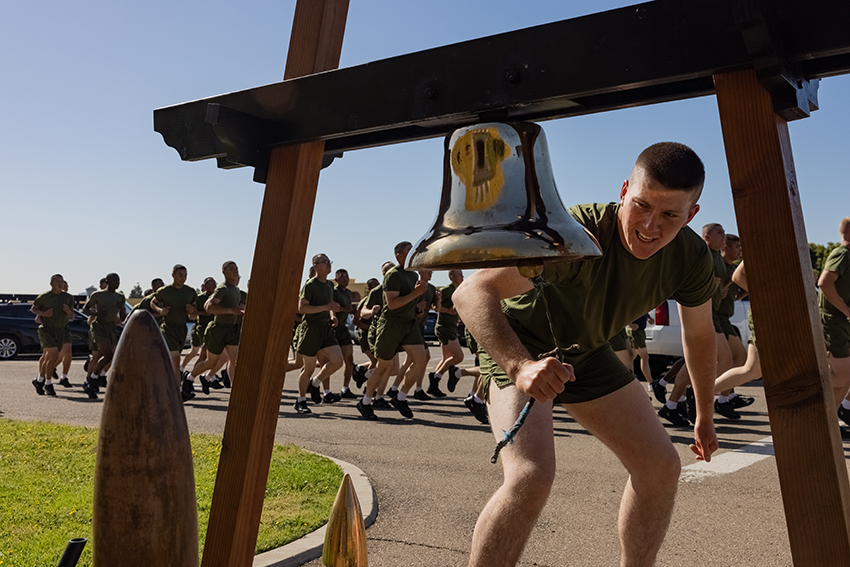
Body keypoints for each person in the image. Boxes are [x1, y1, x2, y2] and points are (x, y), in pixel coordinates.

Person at [453, 142, 718, 567]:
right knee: (530, 476)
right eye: (642, 205)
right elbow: (471, 292)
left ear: (691, 215)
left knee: (660, 468)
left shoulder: (691, 256)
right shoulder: (577, 233)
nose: (649, 226)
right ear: (624, 190)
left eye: (669, 215)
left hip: (587, 353)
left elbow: (701, 336)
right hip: (520, 341)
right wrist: (519, 366)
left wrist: (704, 413)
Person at [358, 242, 430, 420]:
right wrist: (415, 294)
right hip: (390, 324)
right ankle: (365, 401)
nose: (413, 253)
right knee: (384, 367)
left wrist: (417, 309)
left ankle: (400, 396)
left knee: (421, 360)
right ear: (398, 255)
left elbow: (408, 302)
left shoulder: (413, 275)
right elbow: (392, 304)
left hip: (408, 324)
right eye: (408, 251)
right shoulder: (393, 275)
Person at [292, 254, 343, 413]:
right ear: (315, 266)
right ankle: (300, 400)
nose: (329, 265)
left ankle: (315, 383)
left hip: (326, 329)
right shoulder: (310, 285)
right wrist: (325, 308)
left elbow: (330, 306)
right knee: (309, 367)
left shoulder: (329, 285)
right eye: (325, 262)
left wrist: (333, 316)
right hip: (311, 328)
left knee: (337, 361)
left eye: (329, 262)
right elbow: (302, 308)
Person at [187, 261, 244, 402]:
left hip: (232, 330)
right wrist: (231, 310)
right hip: (217, 330)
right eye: (231, 269)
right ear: (224, 272)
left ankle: (238, 393)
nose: (235, 271)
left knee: (236, 361)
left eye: (236, 268)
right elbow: (210, 308)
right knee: (210, 363)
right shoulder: (223, 289)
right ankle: (189, 378)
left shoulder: (236, 290)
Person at [819, 217, 850, 408]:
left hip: (840, 319)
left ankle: (829, 422)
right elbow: (824, 283)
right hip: (832, 318)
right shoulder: (842, 254)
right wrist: (846, 310)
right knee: (842, 375)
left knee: (845, 378)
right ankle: (797, 391)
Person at [81, 273, 126, 399]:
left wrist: (121, 309)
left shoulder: (120, 297)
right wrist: (96, 313)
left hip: (111, 327)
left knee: (107, 356)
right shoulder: (98, 295)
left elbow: (122, 318)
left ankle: (91, 380)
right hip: (99, 326)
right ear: (107, 282)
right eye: (114, 281)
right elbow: (85, 309)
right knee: (108, 354)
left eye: (118, 280)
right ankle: (93, 378)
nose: (117, 283)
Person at [151, 265, 197, 383]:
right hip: (168, 327)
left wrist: (192, 309)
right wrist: (160, 311)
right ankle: (178, 389)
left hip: (182, 328)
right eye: (180, 275)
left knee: (172, 361)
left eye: (185, 275)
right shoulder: (164, 291)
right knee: (176, 359)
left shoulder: (190, 291)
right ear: (173, 275)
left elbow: (195, 307)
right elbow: (153, 302)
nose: (183, 278)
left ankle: (165, 381)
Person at [30, 274, 75, 396]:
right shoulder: (44, 297)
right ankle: (48, 383)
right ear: (51, 284)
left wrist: (68, 312)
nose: (60, 284)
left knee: (51, 357)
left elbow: (72, 315)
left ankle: (39, 380)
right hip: (47, 329)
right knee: (53, 354)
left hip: (61, 330)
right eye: (57, 282)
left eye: (61, 281)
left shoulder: (68, 297)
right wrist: (43, 313)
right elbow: (33, 309)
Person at [428, 269, 465, 397]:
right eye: (459, 274)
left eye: (462, 274)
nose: (462, 276)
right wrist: (448, 311)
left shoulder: (460, 290)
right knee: (458, 357)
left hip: (452, 326)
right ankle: (436, 377)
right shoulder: (446, 290)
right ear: (451, 276)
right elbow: (434, 307)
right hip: (444, 327)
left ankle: (433, 385)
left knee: (446, 359)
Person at [181, 277, 217, 379]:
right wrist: (203, 313)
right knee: (203, 355)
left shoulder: (218, 297)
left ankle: (209, 376)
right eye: (209, 283)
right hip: (203, 328)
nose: (212, 285)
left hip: (216, 329)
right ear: (204, 286)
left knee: (216, 356)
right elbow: (192, 314)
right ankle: (190, 377)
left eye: (214, 283)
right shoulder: (200, 298)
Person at [332, 268, 358, 399]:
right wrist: (343, 309)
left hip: (343, 329)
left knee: (349, 359)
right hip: (332, 328)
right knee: (331, 360)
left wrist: (352, 311)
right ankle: (321, 387)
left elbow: (347, 309)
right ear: (336, 280)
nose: (345, 280)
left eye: (346, 277)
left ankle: (345, 388)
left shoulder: (348, 292)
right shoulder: (334, 292)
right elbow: (331, 308)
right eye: (342, 277)